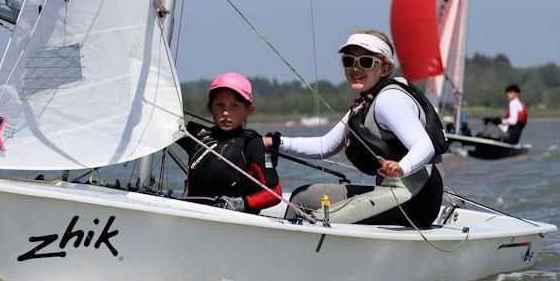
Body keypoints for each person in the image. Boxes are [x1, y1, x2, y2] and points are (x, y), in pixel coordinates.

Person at [265, 29, 446, 227]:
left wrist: (402, 167)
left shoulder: (389, 100)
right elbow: (326, 145)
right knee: (302, 198)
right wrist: (274, 142)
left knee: (318, 220)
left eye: (366, 62)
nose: (355, 68)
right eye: (349, 61)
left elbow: (424, 145)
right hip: (389, 193)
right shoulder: (365, 104)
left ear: (385, 68)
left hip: (415, 201)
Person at [177, 72, 282, 214]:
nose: (226, 112)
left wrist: (238, 204)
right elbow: (160, 129)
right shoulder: (197, 137)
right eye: (220, 106)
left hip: (233, 221)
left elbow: (275, 192)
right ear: (210, 108)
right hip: (194, 216)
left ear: (249, 110)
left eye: (235, 106)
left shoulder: (252, 143)